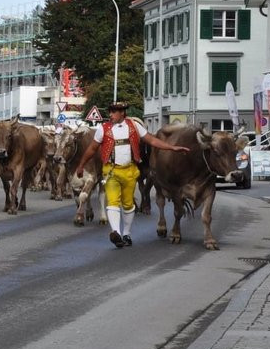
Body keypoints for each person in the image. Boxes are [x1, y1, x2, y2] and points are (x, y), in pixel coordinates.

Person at [75, 102, 190, 248]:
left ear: (122, 113)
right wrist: (81, 165)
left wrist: (172, 148)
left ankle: (126, 234)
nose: (110, 115)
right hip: (111, 171)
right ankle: (115, 232)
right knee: (112, 202)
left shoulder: (135, 127)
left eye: (113, 112)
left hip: (130, 171)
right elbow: (92, 149)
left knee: (128, 204)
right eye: (110, 112)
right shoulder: (103, 129)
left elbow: (152, 140)